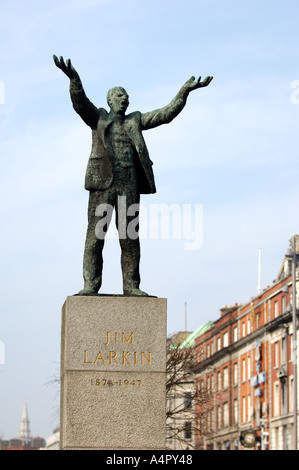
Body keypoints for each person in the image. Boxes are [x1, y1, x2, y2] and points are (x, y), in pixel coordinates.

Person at [53, 55, 213, 296]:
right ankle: (91, 285)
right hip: (103, 184)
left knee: (129, 239)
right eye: (119, 95)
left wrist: (184, 92)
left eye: (126, 96)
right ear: (109, 100)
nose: (124, 99)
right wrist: (74, 78)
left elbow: (164, 114)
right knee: (96, 237)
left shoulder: (135, 120)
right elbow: (79, 103)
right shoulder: (98, 117)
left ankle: (131, 285)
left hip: (129, 185)